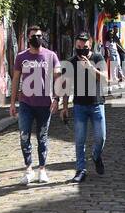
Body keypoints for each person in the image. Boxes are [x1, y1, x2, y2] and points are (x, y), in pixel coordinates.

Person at [10, 26, 60, 183]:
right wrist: (12, 103)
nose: (36, 38)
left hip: (44, 105)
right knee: (24, 135)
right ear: (28, 38)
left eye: (39, 35)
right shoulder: (21, 57)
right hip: (26, 104)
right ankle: (28, 168)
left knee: (42, 138)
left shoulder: (51, 56)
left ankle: (42, 170)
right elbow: (16, 80)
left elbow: (58, 77)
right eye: (33, 36)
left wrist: (57, 98)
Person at [61, 31, 109, 182]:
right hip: (80, 106)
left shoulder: (98, 57)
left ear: (90, 46)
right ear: (75, 46)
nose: (81, 50)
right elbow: (66, 86)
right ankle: (80, 170)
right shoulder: (71, 62)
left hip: (97, 104)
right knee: (80, 140)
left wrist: (90, 67)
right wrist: (64, 107)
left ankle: (96, 156)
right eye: (79, 47)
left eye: (85, 47)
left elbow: (105, 79)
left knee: (101, 138)